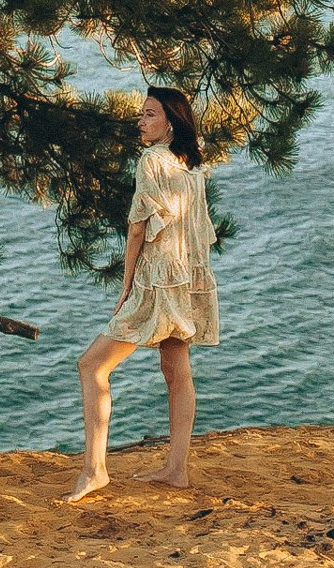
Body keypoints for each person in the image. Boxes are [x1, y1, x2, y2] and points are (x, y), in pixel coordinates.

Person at [63, 85, 219, 502]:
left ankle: (94, 471)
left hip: (156, 281)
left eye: (150, 114)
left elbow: (138, 227)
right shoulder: (191, 164)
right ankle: (176, 470)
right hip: (186, 278)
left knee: (92, 366)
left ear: (171, 121)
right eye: (141, 114)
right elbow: (201, 233)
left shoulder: (151, 161)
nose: (140, 120)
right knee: (176, 369)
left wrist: (127, 283)